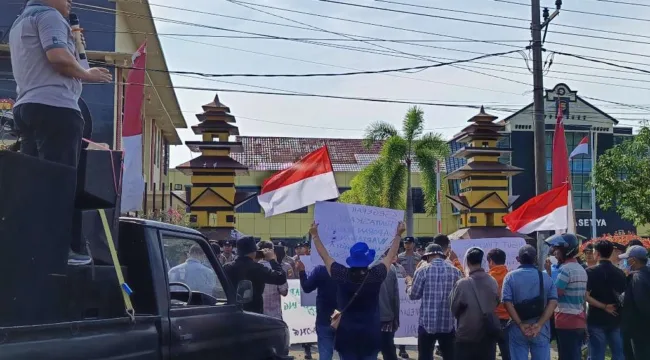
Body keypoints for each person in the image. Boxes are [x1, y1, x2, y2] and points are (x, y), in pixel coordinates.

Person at [9, 0, 112, 266]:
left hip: (27, 106)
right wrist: (87, 75)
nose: (69, 2)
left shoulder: (20, 22)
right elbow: (57, 57)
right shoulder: (50, 17)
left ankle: (32, 247)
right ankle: (59, 249)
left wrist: (75, 45)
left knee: (35, 184)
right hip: (56, 108)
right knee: (60, 182)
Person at [310, 221, 405, 360]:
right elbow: (390, 257)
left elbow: (325, 257)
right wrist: (398, 235)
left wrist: (315, 236)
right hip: (370, 334)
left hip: (346, 335)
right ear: (368, 260)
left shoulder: (341, 274)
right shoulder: (376, 275)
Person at [502, 245, 558, 360]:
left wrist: (520, 324)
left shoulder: (510, 277)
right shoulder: (546, 278)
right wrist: (539, 324)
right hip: (540, 328)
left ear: (518, 259)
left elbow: (506, 302)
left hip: (517, 328)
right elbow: (553, 302)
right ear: (536, 259)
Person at [406, 243, 461, 360]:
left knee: (425, 356)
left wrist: (409, 283)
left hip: (426, 324)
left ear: (428, 256)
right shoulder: (455, 272)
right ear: (442, 256)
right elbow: (460, 297)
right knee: (450, 356)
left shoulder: (422, 271)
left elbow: (413, 295)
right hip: (448, 324)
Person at [450, 247, 499, 360]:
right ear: (482, 261)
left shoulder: (461, 284)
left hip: (466, 334)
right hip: (487, 334)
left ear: (467, 262)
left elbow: (453, 308)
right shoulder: (492, 281)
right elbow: (495, 302)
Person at [545, 233, 588, 360]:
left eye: (557, 250)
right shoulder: (580, 269)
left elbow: (554, 293)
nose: (554, 254)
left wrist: (547, 274)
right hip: (578, 320)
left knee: (566, 356)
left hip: (566, 321)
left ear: (566, 250)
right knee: (574, 355)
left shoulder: (566, 270)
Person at [223, 236, 287, 314]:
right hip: (254, 313)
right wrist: (272, 260)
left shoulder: (227, 267)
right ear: (254, 251)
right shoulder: (257, 268)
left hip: (231, 311)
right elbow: (281, 278)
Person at [585, 240, 626, 360]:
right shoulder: (620, 273)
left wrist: (603, 306)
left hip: (596, 318)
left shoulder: (590, 272)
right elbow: (623, 296)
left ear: (597, 253)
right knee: (618, 354)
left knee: (596, 355)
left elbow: (585, 296)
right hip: (616, 318)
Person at [296, 258, 338, 360]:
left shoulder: (321, 270)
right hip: (345, 318)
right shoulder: (349, 270)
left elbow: (307, 287)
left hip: (325, 318)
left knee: (325, 354)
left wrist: (302, 271)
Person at [619, 245, 650, 360]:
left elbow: (641, 303)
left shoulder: (637, 278)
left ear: (633, 260)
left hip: (637, 328)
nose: (625, 262)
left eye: (627, 259)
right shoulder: (646, 273)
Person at [397, 236, 420, 359]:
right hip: (403, 289)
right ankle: (402, 348)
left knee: (416, 317)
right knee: (404, 317)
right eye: (406, 243)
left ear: (413, 244)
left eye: (409, 243)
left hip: (416, 287)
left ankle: (419, 346)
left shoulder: (418, 257)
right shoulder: (400, 257)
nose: (407, 245)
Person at [486, 248, 511, 360]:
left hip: (491, 318)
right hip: (508, 319)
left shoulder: (487, 277)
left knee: (489, 350)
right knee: (507, 351)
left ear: (491, 261)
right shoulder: (510, 276)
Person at [258, 241, 289, 319]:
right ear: (272, 252)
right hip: (274, 316)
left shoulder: (252, 266)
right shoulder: (277, 268)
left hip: (256, 315)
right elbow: (284, 291)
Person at [378, 253, 401, 360]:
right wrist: (396, 318)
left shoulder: (359, 267)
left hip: (366, 319)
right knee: (388, 350)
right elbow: (395, 296)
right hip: (386, 317)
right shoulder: (390, 268)